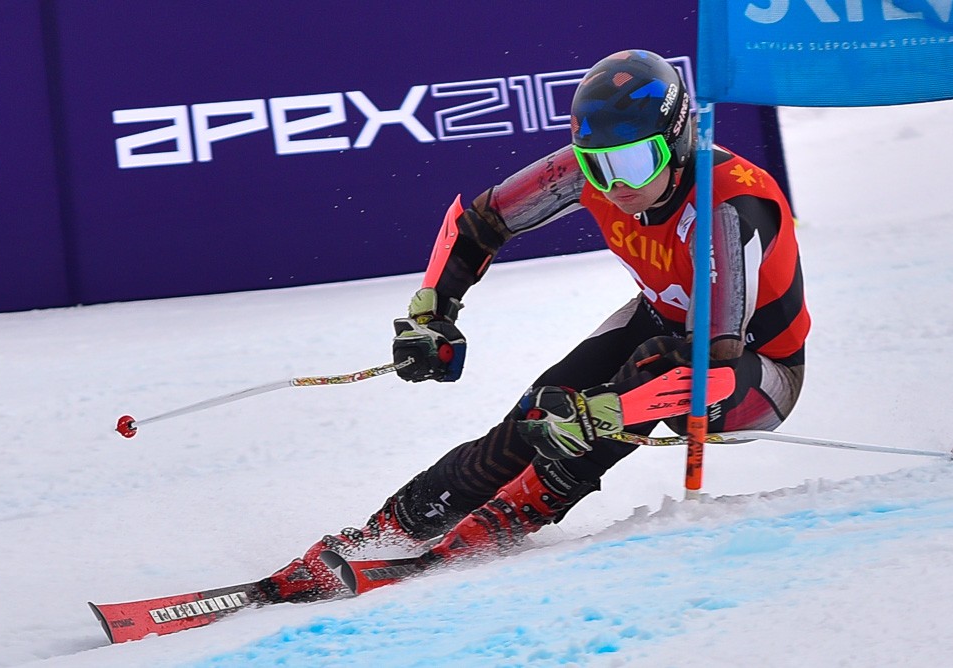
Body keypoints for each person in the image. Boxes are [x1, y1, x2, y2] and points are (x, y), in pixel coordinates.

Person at [259, 49, 809, 603]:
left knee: (616, 395)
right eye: (597, 165)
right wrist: (433, 314)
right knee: (536, 414)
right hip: (660, 324)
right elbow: (478, 225)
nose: (616, 184)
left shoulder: (727, 204)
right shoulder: (589, 172)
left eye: (636, 161)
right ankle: (390, 531)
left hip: (753, 375)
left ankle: (483, 533)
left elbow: (712, 358)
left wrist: (605, 412)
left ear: (680, 140)